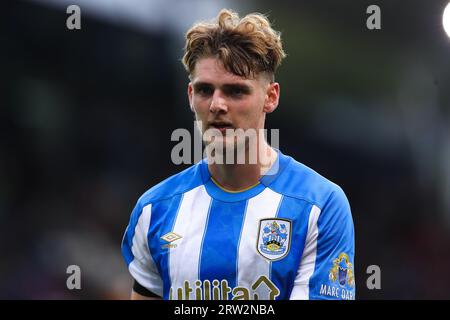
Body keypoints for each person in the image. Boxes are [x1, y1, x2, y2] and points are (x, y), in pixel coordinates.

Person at [121, 8, 355, 300]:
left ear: (270, 97)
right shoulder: (154, 210)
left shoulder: (320, 206)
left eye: (235, 92)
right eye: (206, 90)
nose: (217, 105)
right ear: (191, 96)